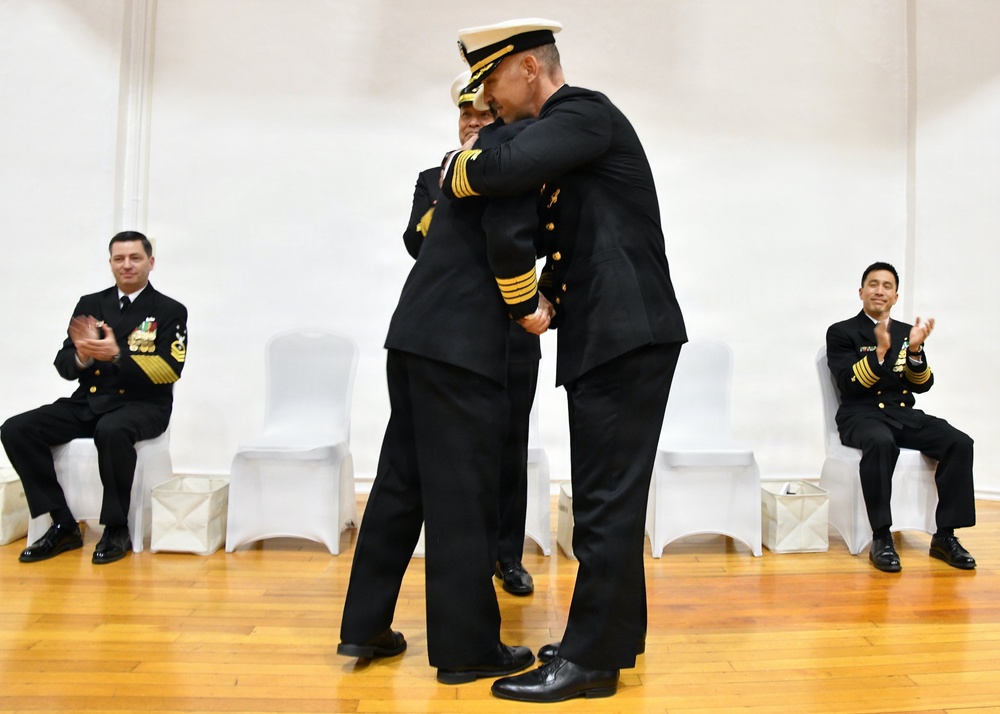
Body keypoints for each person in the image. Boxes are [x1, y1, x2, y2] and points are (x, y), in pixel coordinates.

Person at [440, 18, 688, 703]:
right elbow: (578, 239)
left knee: (604, 504)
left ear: (526, 67)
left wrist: (458, 163)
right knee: (612, 500)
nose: (487, 102)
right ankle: (612, 641)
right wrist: (546, 293)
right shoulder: (575, 139)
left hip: (623, 332)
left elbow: (504, 169)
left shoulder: (585, 112)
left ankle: (590, 663)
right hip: (613, 330)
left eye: (491, 80)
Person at [337, 80, 546, 684]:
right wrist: (532, 305)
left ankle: (365, 626)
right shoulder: (509, 159)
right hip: (460, 348)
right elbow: (507, 242)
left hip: (414, 338)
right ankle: (466, 649)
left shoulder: (467, 163)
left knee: (401, 487)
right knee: (463, 499)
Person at [402, 72, 538, 596]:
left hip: (512, 327)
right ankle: (472, 557)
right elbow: (416, 244)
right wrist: (454, 192)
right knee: (461, 451)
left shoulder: (521, 169)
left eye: (484, 116)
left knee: (511, 442)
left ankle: (508, 556)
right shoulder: (431, 179)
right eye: (467, 116)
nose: (474, 123)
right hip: (458, 333)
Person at [1, 231, 188, 565]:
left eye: (135, 258)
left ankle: (116, 527)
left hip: (143, 405)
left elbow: (169, 369)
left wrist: (117, 355)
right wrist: (83, 357)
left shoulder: (169, 310)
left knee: (113, 429)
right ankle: (62, 523)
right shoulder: (91, 304)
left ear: (151, 262)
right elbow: (64, 362)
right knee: (16, 429)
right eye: (119, 259)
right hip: (89, 400)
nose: (127, 265)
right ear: (111, 263)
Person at [825, 261, 976, 573]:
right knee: (881, 443)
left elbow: (921, 385)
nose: (879, 291)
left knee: (958, 442)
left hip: (901, 414)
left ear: (895, 297)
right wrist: (879, 353)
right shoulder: (841, 332)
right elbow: (849, 384)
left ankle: (945, 535)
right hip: (860, 417)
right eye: (873, 284)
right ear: (861, 291)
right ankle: (881, 536)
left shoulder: (907, 332)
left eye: (887, 286)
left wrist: (916, 352)